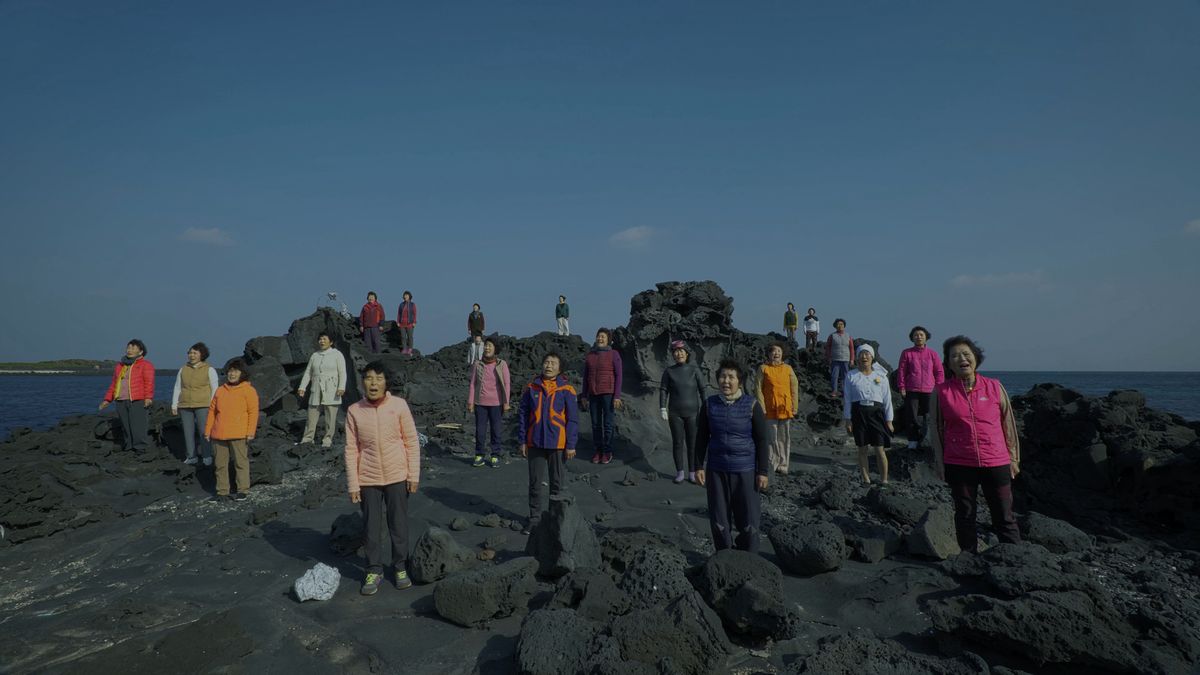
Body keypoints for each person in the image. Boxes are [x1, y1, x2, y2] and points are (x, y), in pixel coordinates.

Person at [929, 336, 1021, 553]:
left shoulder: (994, 387)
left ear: (976, 358)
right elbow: (936, 429)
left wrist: (1014, 458)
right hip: (959, 462)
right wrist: (940, 462)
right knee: (965, 515)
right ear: (949, 364)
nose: (962, 359)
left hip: (996, 461)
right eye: (955, 356)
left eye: (966, 354)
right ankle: (968, 561)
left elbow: (1008, 423)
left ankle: (1016, 559)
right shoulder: (941, 392)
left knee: (1004, 516)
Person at [345, 362, 421, 595]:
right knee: (371, 527)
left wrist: (413, 474)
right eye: (368, 378)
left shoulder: (399, 406)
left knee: (398, 524)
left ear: (386, 382)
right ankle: (374, 569)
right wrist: (353, 484)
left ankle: (400, 567)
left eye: (378, 378)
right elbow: (351, 449)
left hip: (397, 475)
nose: (373, 383)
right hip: (368, 477)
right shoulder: (354, 410)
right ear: (363, 382)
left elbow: (411, 441)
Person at [695, 359, 769, 552]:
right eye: (722, 376)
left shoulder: (752, 405)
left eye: (731, 377)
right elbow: (701, 437)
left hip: (745, 470)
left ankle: (748, 557)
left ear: (740, 381)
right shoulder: (709, 405)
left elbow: (762, 440)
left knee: (749, 521)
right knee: (719, 520)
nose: (726, 381)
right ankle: (724, 556)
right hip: (716, 470)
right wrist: (698, 467)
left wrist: (763, 472)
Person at [517, 351, 579, 534]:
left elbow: (573, 419)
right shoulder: (531, 388)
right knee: (535, 483)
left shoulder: (567, 389)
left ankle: (555, 519)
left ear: (560, 368)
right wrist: (522, 441)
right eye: (546, 362)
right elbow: (522, 415)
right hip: (534, 442)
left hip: (558, 444)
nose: (548, 366)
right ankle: (534, 519)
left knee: (557, 484)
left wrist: (571, 444)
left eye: (553, 363)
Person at [204, 358, 259, 502]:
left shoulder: (249, 390)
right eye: (230, 371)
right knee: (220, 464)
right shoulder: (220, 390)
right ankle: (222, 491)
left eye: (235, 371)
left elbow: (253, 412)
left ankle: (243, 490)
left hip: (239, 433)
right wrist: (208, 431)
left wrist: (250, 432)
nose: (232, 374)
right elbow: (212, 411)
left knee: (241, 462)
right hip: (218, 434)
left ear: (242, 373)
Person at [843, 345, 894, 484]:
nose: (864, 357)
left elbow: (887, 400)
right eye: (861, 354)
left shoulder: (881, 376)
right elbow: (847, 399)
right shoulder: (851, 375)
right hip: (858, 413)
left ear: (872, 357)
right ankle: (866, 478)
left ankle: (884, 479)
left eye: (867, 354)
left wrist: (889, 421)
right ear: (858, 357)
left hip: (876, 413)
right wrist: (848, 419)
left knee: (879, 448)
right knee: (862, 448)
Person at [659, 339, 707, 483]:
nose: (679, 354)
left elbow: (703, 390)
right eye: (676, 352)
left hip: (693, 413)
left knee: (692, 443)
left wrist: (706, 407)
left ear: (686, 353)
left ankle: (692, 472)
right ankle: (680, 472)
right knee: (678, 443)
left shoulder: (694, 370)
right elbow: (663, 390)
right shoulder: (669, 371)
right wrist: (662, 408)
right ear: (673, 355)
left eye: (681, 351)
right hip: (675, 413)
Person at [99, 339, 155, 452]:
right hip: (121, 399)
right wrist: (107, 399)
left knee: (138, 425)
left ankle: (140, 448)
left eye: (133, 348)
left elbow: (149, 382)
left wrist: (148, 397)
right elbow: (114, 384)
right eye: (128, 347)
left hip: (137, 399)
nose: (129, 350)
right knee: (125, 425)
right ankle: (129, 447)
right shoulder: (120, 365)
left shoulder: (146, 364)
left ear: (140, 352)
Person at [896, 325, 944, 450]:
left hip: (930, 390)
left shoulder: (932, 354)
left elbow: (939, 371)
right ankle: (913, 440)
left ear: (926, 337)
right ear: (912, 338)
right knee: (911, 415)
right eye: (916, 335)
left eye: (921, 335)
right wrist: (902, 387)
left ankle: (931, 439)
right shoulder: (907, 353)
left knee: (931, 415)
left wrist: (939, 388)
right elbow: (901, 371)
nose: (919, 337)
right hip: (912, 389)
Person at [171, 342, 219, 466]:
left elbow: (215, 388)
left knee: (204, 431)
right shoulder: (183, 369)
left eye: (195, 353)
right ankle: (191, 456)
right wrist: (174, 404)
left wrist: (213, 405)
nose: (191, 355)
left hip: (204, 404)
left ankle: (207, 455)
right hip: (185, 405)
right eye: (190, 353)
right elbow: (177, 387)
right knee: (188, 432)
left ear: (202, 354)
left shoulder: (210, 369)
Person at [580, 328, 623, 464]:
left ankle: (607, 451)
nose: (600, 339)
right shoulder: (590, 356)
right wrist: (584, 395)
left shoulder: (614, 354)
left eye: (603, 336)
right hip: (593, 394)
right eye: (598, 336)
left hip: (608, 394)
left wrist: (617, 396)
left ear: (608, 339)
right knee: (595, 424)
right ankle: (598, 450)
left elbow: (619, 375)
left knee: (608, 424)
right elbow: (586, 377)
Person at [755, 343, 799, 475]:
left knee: (784, 437)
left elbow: (794, 388)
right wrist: (761, 407)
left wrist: (794, 406)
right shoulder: (763, 368)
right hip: (769, 408)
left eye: (779, 351)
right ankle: (771, 463)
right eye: (773, 351)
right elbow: (758, 388)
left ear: (782, 354)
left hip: (785, 407)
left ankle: (783, 464)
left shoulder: (788, 368)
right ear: (769, 354)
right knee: (771, 437)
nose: (776, 353)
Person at [468, 337, 511, 468]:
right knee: (480, 431)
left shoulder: (501, 364)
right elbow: (472, 384)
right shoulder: (477, 364)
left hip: (497, 404)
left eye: (490, 345)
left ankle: (495, 455)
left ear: (495, 349)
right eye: (486, 345)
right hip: (480, 403)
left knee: (496, 430)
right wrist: (470, 401)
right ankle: (479, 455)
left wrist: (506, 402)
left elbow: (507, 384)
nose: (487, 347)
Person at [298, 332, 347, 447]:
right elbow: (308, 373)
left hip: (332, 389)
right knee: (312, 415)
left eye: (324, 339)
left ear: (331, 342)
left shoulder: (337, 354)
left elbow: (342, 372)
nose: (322, 341)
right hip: (316, 389)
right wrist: (302, 387)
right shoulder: (315, 355)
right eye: (320, 339)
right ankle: (307, 438)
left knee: (330, 416)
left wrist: (341, 387)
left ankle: (327, 439)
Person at [824, 318, 855, 397]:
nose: (840, 326)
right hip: (835, 359)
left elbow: (851, 348)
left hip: (845, 359)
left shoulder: (848, 336)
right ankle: (834, 391)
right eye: (838, 324)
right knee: (834, 375)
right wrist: (828, 357)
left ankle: (845, 391)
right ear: (835, 326)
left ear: (844, 326)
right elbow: (828, 347)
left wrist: (852, 359)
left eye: (841, 324)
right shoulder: (832, 336)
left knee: (845, 376)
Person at [396, 291, 417, 355]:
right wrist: (398, 322)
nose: (405, 296)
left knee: (410, 337)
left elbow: (415, 314)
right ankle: (404, 349)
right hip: (402, 324)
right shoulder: (401, 304)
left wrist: (414, 322)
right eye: (404, 295)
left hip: (410, 324)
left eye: (407, 295)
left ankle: (410, 349)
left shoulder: (412, 305)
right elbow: (399, 314)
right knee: (403, 337)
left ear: (409, 296)